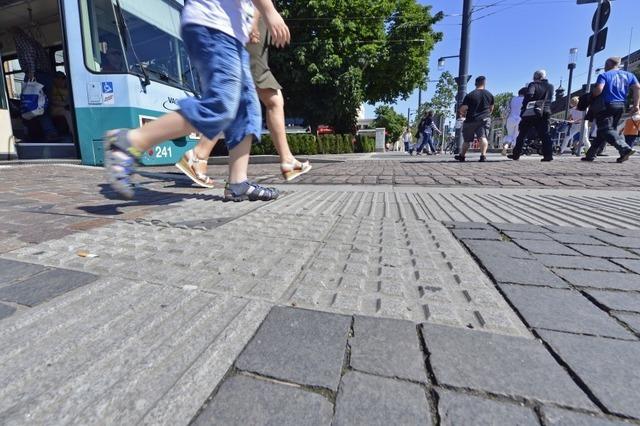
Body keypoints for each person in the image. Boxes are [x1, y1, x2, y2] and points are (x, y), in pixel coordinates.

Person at [103, 0, 291, 200]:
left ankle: (238, 182)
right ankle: (129, 141)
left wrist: (252, 21)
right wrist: (270, 11)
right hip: (214, 25)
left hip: (231, 33)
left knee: (245, 109)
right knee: (221, 105)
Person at [176, 11, 311, 187]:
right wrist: (255, 22)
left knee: (239, 100)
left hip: (254, 27)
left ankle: (205, 160)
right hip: (252, 26)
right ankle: (200, 156)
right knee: (252, 99)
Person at [582, 57, 639, 163]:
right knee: (604, 131)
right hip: (620, 106)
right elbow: (637, 87)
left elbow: (598, 90)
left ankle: (625, 149)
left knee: (606, 130)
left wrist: (591, 96)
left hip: (606, 105)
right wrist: (636, 104)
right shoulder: (629, 75)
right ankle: (590, 154)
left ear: (608, 64)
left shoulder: (604, 75)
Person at [11, 27, 57, 139]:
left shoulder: (21, 40)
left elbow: (29, 54)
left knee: (31, 105)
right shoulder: (34, 42)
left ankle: (39, 132)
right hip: (47, 76)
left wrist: (31, 73)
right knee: (44, 104)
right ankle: (50, 131)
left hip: (36, 76)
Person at [508, 70, 555, 162]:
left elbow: (530, 94)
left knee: (522, 134)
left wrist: (525, 105)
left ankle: (516, 154)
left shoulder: (533, 84)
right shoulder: (550, 86)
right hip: (544, 112)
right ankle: (548, 155)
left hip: (531, 112)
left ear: (535, 77)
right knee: (545, 134)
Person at [455, 76, 494, 162]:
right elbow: (491, 109)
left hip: (470, 120)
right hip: (483, 119)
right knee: (482, 137)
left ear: (475, 83)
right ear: (484, 83)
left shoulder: (470, 95)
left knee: (467, 140)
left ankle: (462, 156)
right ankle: (483, 156)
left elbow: (463, 108)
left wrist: (461, 114)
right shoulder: (489, 95)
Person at [502, 88, 526, 155]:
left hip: (511, 118)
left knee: (509, 135)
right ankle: (514, 152)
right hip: (520, 119)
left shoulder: (511, 99)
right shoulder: (525, 100)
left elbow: (506, 109)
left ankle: (506, 147)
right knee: (516, 136)